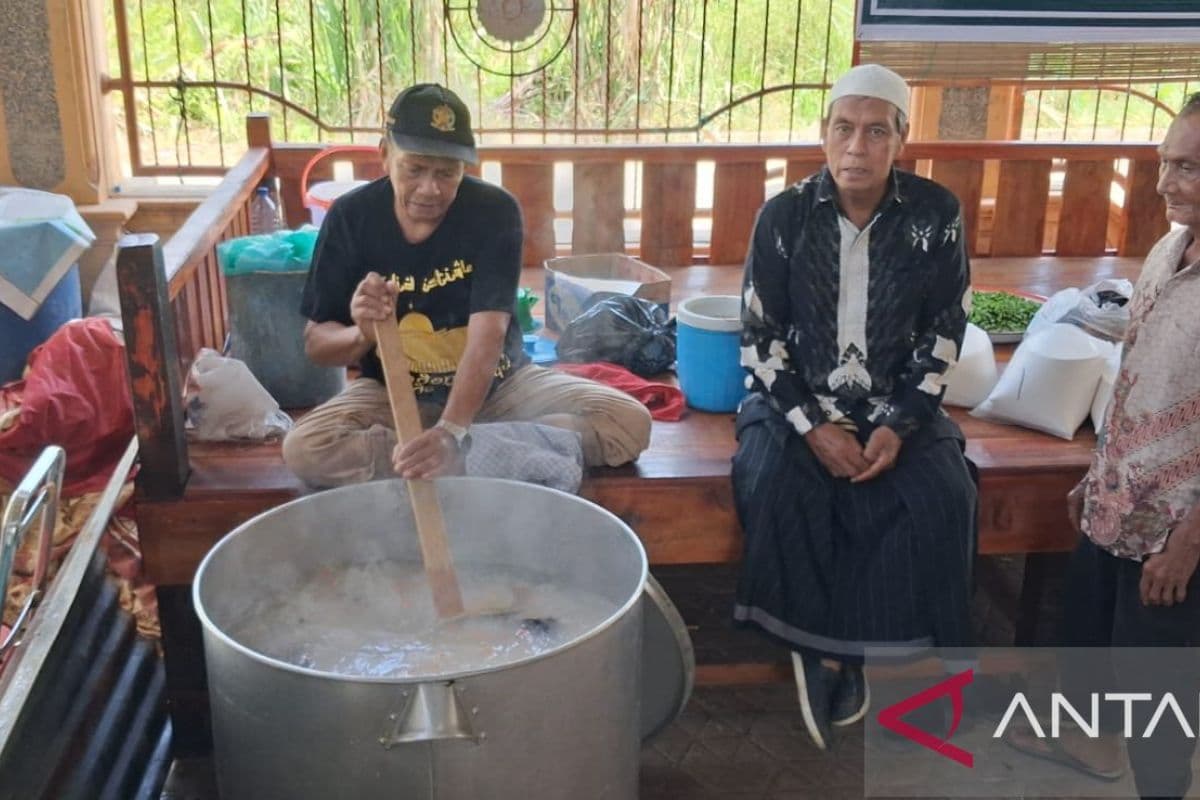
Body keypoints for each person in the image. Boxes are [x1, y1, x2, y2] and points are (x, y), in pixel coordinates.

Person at [730, 63, 977, 751]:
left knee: (943, 494)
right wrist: (812, 429)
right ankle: (822, 653)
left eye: (875, 132)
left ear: (901, 139)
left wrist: (900, 425)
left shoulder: (935, 215)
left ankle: (860, 650)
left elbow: (946, 331)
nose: (857, 147)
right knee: (775, 484)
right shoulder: (783, 217)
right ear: (823, 135)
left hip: (899, 406)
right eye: (844, 129)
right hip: (795, 402)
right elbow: (758, 338)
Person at [282, 83, 651, 488]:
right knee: (305, 448)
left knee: (628, 423)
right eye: (414, 169)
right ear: (385, 155)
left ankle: (456, 452)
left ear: (464, 168)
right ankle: (476, 455)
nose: (430, 189)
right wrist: (362, 334)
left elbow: (488, 336)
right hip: (393, 394)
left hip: (501, 388)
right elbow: (317, 344)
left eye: (447, 173)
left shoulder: (493, 211)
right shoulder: (351, 217)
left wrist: (451, 432)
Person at [1006, 93, 1200, 799]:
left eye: (1189, 168)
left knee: (1157, 686)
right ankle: (1089, 745)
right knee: (1090, 641)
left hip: (1175, 530)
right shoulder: (1169, 250)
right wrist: (1098, 475)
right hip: (1118, 502)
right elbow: (1136, 376)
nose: (1166, 182)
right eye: (1165, 162)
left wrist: (1187, 544)